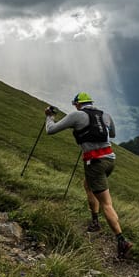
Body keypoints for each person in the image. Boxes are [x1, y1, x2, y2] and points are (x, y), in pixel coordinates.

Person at [44, 92, 133, 257]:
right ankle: (95, 221)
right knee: (88, 185)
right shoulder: (105, 115)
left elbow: (51, 130)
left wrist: (49, 116)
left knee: (106, 203)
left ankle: (122, 240)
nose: (75, 107)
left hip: (95, 163)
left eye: (75, 104)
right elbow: (111, 134)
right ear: (91, 103)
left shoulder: (77, 115)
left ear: (78, 104)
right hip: (110, 160)